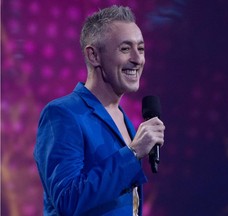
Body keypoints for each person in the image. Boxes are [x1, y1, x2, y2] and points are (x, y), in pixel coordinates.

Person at [33, 5, 165, 216]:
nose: (137, 58)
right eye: (125, 48)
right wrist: (132, 154)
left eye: (140, 48)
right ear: (93, 55)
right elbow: (68, 199)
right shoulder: (63, 114)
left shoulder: (124, 119)